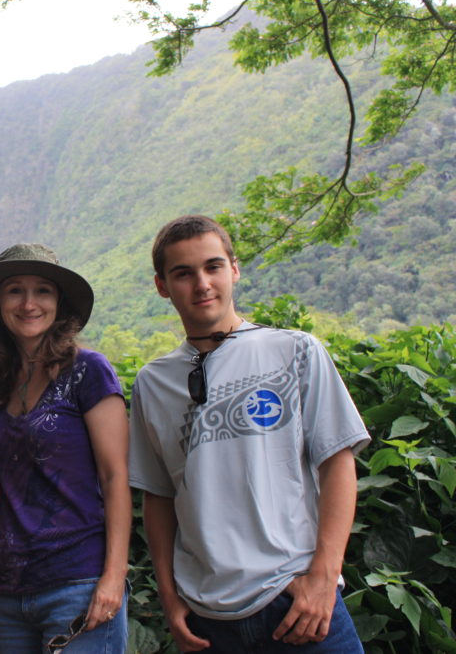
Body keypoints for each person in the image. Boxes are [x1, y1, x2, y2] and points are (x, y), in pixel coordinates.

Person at [128, 215, 370, 653]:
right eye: (183, 273)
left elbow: (338, 461)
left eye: (213, 266)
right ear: (162, 285)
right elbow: (159, 496)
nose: (202, 283)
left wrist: (323, 578)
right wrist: (168, 594)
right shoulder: (153, 382)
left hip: (299, 603)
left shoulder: (294, 351)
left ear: (234, 270)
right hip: (209, 619)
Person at [0, 243, 132, 653]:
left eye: (42, 290)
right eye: (14, 290)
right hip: (8, 591)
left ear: (59, 303)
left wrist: (113, 577)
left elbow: (116, 477)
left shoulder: (88, 371)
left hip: (78, 581)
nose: (28, 303)